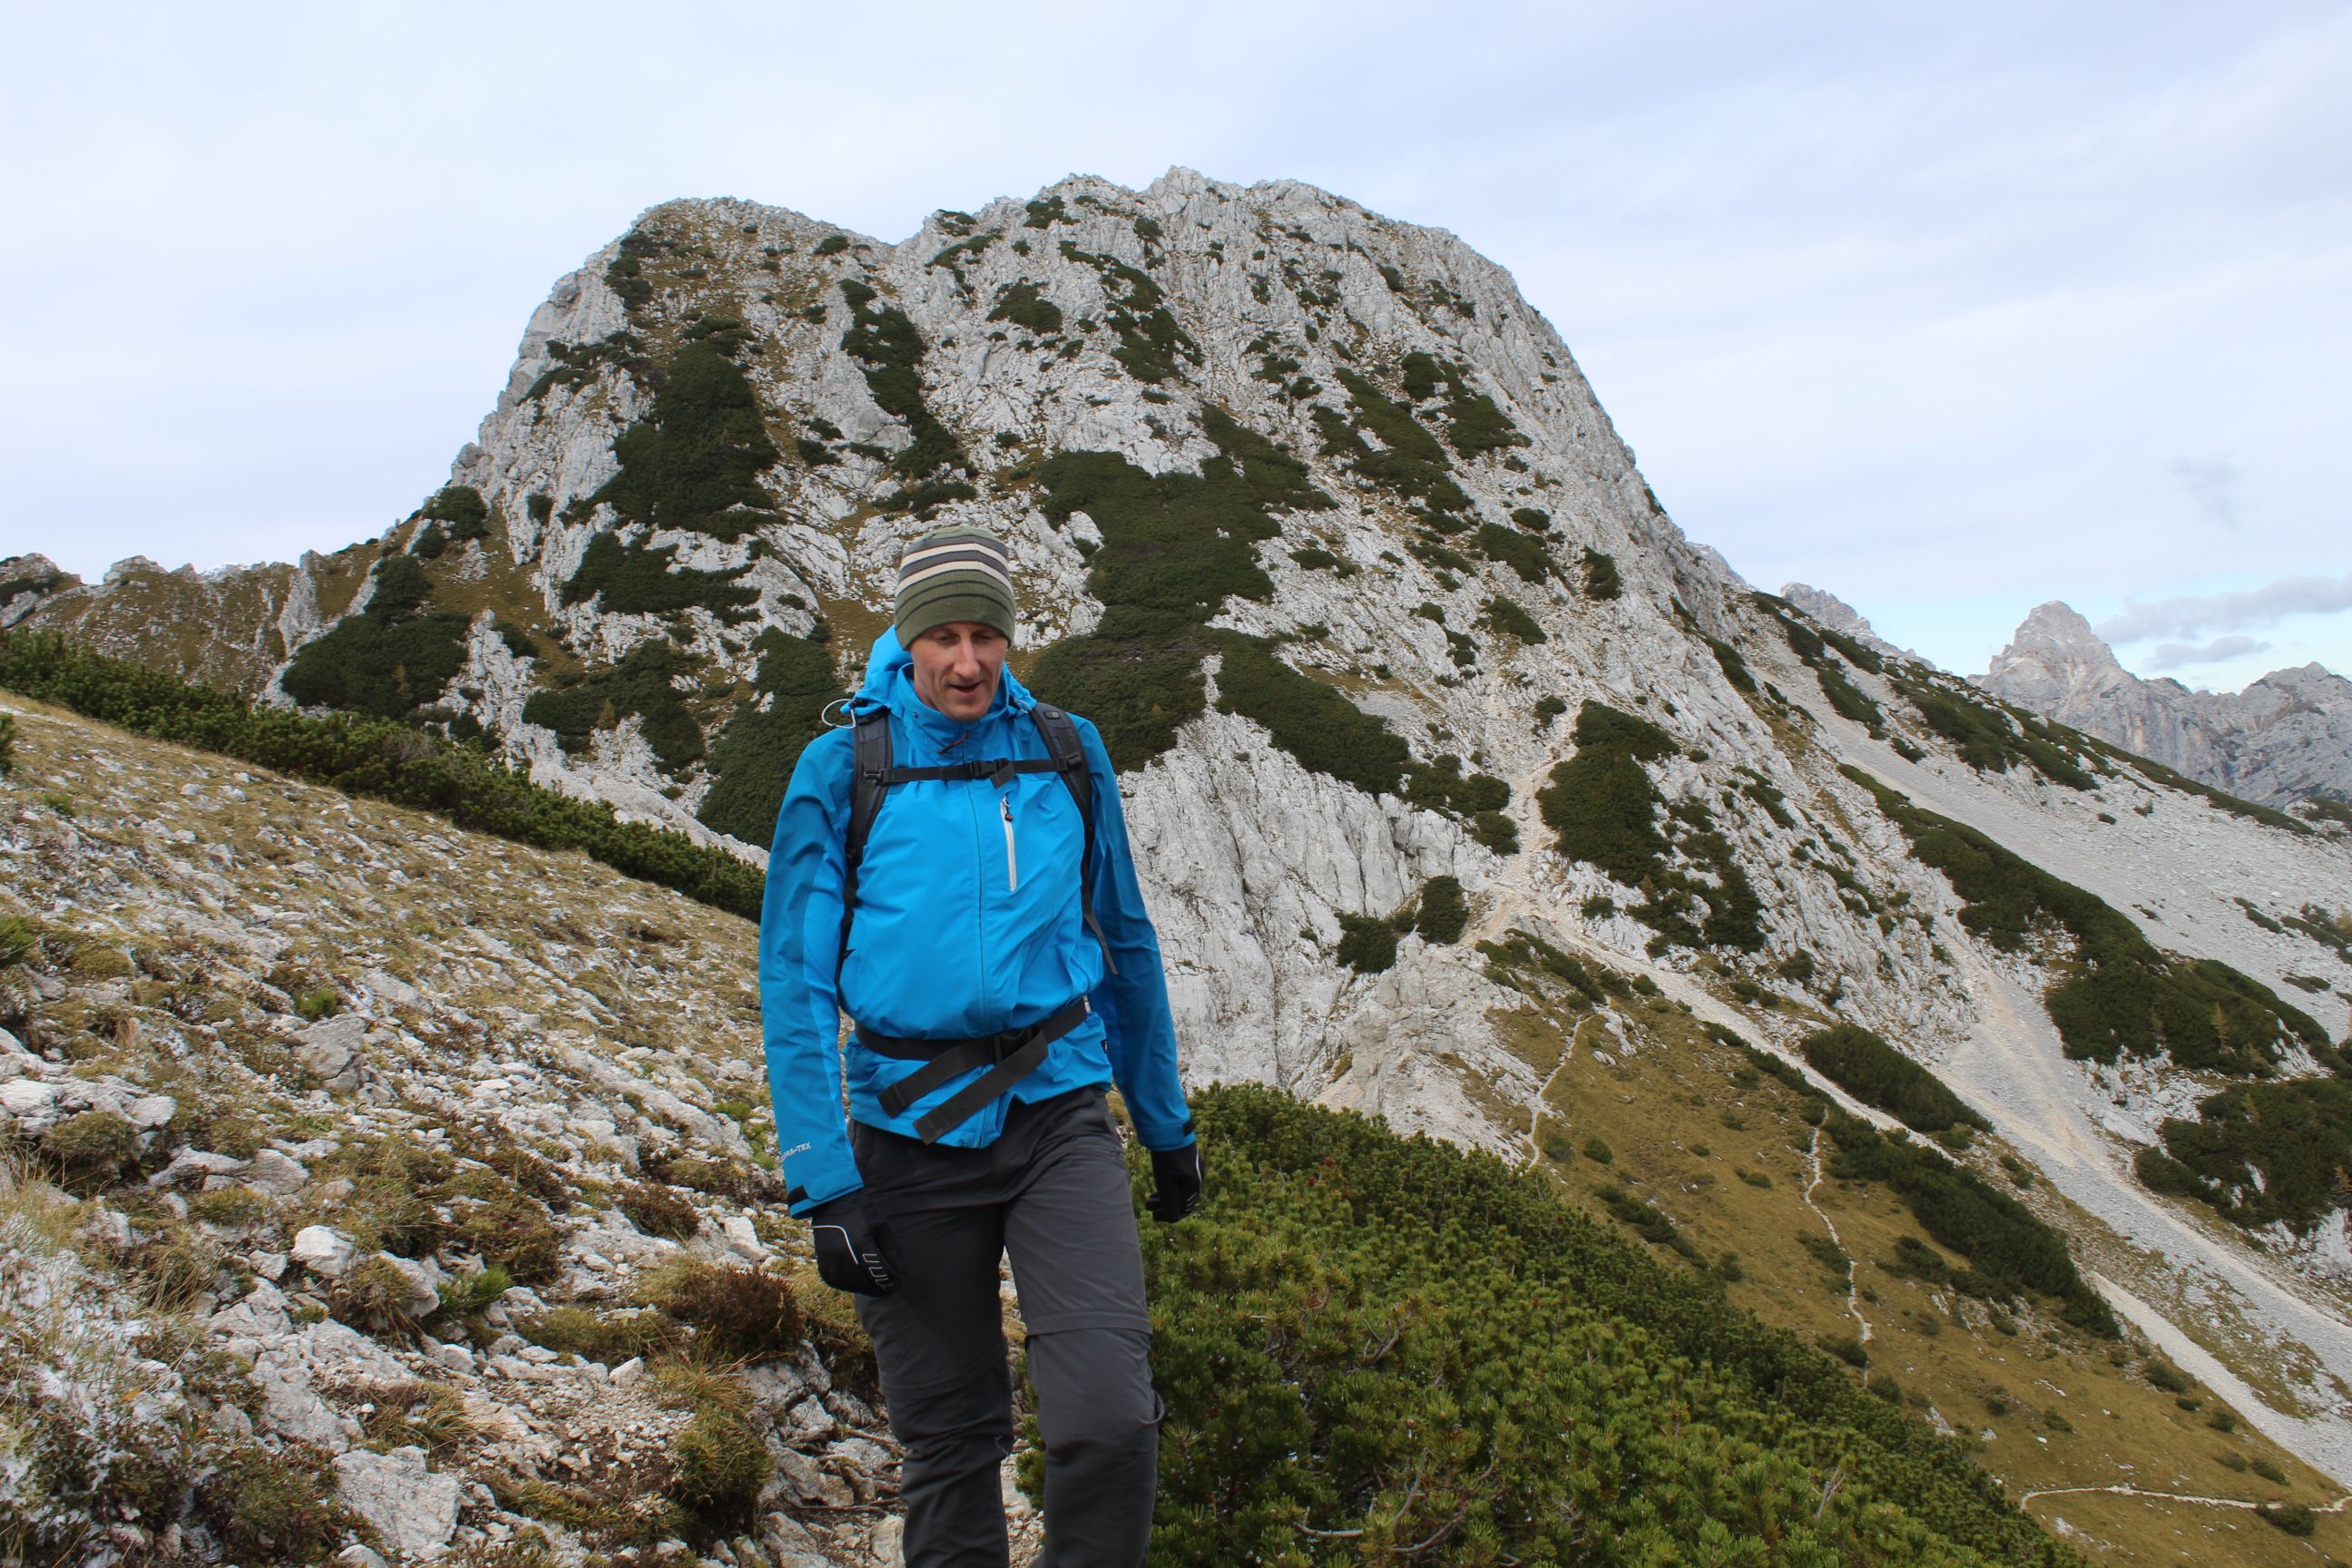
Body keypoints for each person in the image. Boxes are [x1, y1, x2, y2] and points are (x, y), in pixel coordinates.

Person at [760, 525, 1203, 1567]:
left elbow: (1124, 939)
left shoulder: (1064, 748)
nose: (967, 663)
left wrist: (1165, 1122)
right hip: (903, 1138)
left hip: (1058, 1115)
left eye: (987, 637)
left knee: (1109, 1417)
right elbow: (796, 981)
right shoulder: (844, 768)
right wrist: (824, 1182)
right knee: (952, 1440)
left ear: (1010, 639)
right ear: (908, 642)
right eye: (945, 637)